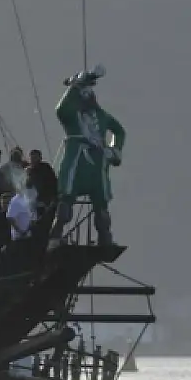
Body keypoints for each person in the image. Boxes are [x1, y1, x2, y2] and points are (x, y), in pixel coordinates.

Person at [54, 66, 126, 247]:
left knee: (101, 205)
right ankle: (55, 234)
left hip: (97, 165)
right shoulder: (72, 116)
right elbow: (61, 110)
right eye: (83, 92)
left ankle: (105, 237)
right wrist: (75, 85)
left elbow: (119, 131)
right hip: (76, 161)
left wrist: (115, 150)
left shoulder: (102, 116)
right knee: (66, 201)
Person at [27, 150, 59, 235]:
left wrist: (53, 200)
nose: (33, 160)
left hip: (46, 203)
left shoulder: (46, 168)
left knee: (45, 225)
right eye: (32, 158)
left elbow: (53, 184)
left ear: (40, 158)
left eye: (35, 157)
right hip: (33, 204)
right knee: (34, 226)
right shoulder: (28, 171)